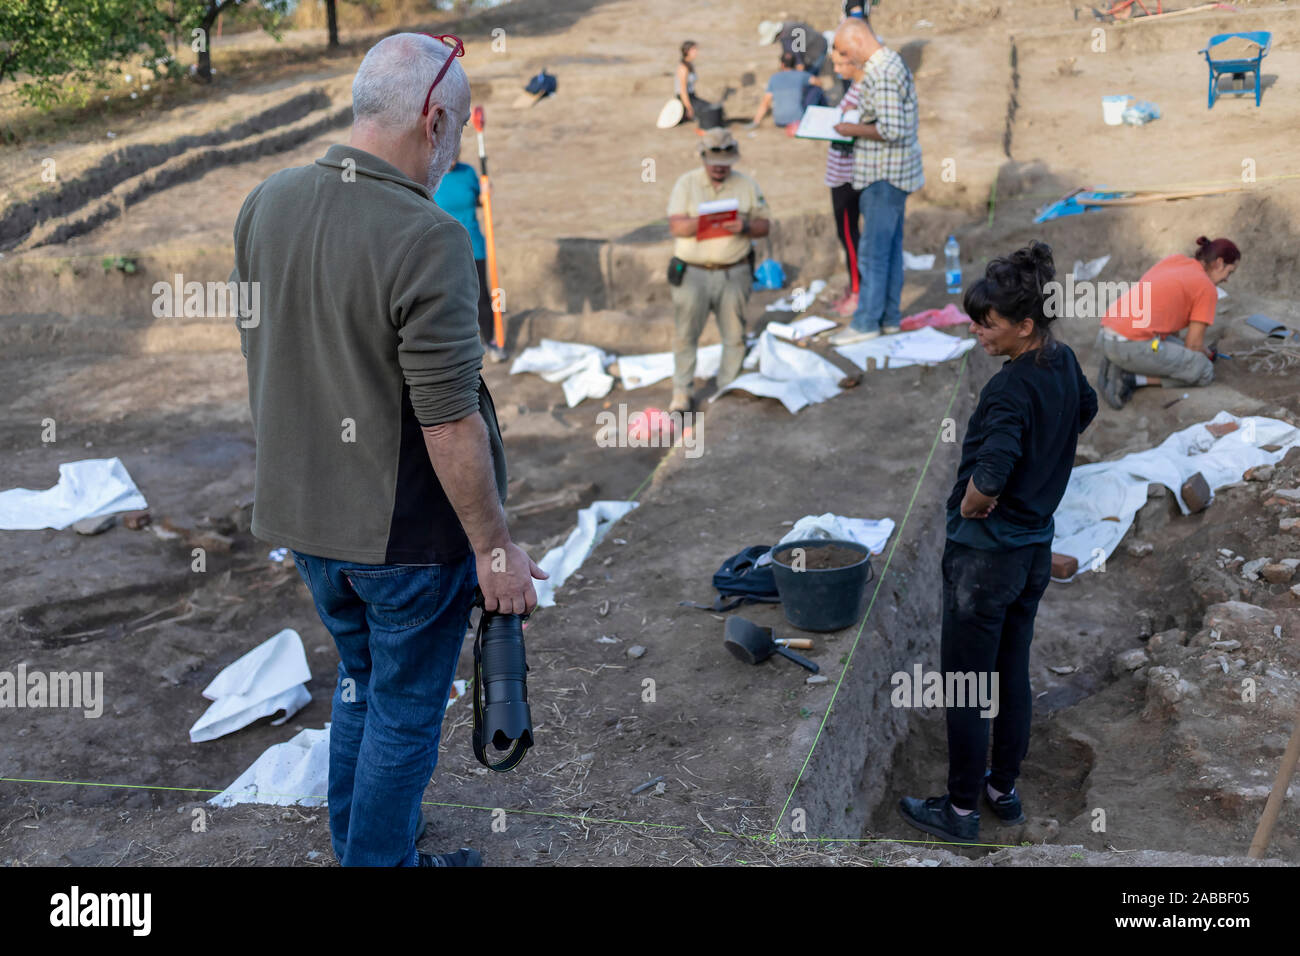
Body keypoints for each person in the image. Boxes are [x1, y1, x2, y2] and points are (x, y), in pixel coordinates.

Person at [230, 33, 547, 868]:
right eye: (458, 128)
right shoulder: (428, 235)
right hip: (402, 540)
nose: (453, 149)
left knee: (360, 689)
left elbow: (273, 358)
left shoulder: (266, 202)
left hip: (306, 526)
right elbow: (448, 423)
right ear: (435, 118)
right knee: (403, 709)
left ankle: (365, 847)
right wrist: (495, 548)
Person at [898, 242, 1098, 844]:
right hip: (1034, 549)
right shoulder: (1060, 361)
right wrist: (1048, 454)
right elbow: (1083, 409)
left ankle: (958, 812)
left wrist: (973, 502)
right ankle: (1001, 791)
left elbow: (993, 469)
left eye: (988, 324)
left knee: (966, 683)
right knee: (1010, 672)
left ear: (1024, 325)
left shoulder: (1010, 389)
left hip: (985, 559)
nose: (978, 333)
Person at [827, 15, 924, 345]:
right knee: (890, 249)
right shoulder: (891, 62)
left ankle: (866, 321)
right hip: (893, 173)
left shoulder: (881, 72)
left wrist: (849, 129)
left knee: (872, 252)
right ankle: (889, 318)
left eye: (843, 50)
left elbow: (892, 129)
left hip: (884, 175)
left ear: (856, 41)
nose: (844, 59)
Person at [666, 128, 771, 413]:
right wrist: (707, 221)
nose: (720, 169)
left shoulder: (747, 185)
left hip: (734, 271)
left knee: (734, 334)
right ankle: (681, 394)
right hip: (693, 273)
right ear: (703, 158)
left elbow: (765, 225)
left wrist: (745, 227)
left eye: (725, 164)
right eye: (714, 163)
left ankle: (727, 390)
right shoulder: (686, 184)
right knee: (686, 334)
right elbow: (676, 226)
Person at [1095, 236, 1240, 409]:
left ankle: (1119, 360)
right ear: (1219, 263)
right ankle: (1131, 379)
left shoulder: (1176, 261)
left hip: (1108, 333)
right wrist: (1207, 354)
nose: (1227, 279)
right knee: (1203, 370)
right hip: (1132, 344)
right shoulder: (1206, 288)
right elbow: (1193, 345)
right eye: (1229, 272)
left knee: (1174, 348)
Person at [434, 144, 507, 363]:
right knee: (445, 297)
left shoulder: (467, 172)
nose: (452, 161)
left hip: (474, 244)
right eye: (448, 157)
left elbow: (478, 201)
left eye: (455, 156)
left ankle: (491, 341)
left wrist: (485, 196)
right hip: (443, 246)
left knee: (481, 296)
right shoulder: (430, 175)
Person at [824, 43, 869, 316]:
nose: (837, 70)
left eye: (841, 64)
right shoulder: (854, 87)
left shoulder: (865, 89)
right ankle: (855, 288)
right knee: (848, 235)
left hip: (848, 174)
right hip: (841, 170)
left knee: (850, 235)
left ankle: (857, 292)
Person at [750, 52, 813, 130]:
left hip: (779, 120)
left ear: (782, 64)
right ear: (795, 64)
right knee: (816, 90)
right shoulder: (802, 75)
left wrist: (756, 121)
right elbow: (819, 82)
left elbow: (765, 102)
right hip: (797, 119)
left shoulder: (774, 78)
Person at [759, 19, 830, 76]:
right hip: (815, 45)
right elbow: (788, 51)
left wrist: (798, 69)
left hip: (818, 48)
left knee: (809, 76)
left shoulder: (787, 35)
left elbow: (798, 60)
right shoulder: (785, 29)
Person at [675, 41, 714, 127]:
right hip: (684, 98)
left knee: (712, 108)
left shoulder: (690, 65)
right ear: (687, 51)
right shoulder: (683, 68)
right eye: (694, 50)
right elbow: (683, 90)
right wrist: (688, 108)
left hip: (692, 96)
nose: (696, 52)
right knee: (708, 113)